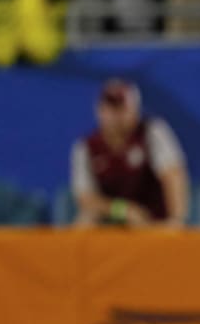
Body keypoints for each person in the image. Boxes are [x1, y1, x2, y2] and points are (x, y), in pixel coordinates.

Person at [71, 79, 190, 228]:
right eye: (110, 109)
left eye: (121, 109)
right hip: (112, 222)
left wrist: (175, 220)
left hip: (152, 221)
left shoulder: (152, 132)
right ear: (99, 110)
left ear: (134, 110)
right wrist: (123, 210)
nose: (115, 116)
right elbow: (86, 198)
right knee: (84, 221)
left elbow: (173, 175)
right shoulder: (86, 147)